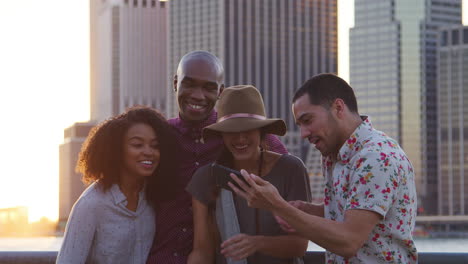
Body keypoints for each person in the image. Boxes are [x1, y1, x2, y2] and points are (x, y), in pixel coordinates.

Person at [229, 74, 418, 263]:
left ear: (338, 108)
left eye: (308, 120)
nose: (303, 134)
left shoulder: (377, 157)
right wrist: (309, 210)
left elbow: (349, 241)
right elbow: (353, 211)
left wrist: (278, 206)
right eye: (300, 125)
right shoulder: (335, 155)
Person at [146, 51, 288, 264]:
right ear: (176, 83)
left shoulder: (244, 138)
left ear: (220, 91)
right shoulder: (158, 136)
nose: (198, 95)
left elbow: (286, 191)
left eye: (209, 87)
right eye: (189, 84)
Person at [186, 85, 311, 264]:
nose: (240, 139)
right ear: (222, 134)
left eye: (248, 130)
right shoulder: (205, 178)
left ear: (262, 131)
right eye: (232, 131)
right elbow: (202, 251)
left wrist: (256, 243)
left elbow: (299, 245)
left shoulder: (291, 169)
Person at [56, 106, 179, 264]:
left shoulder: (153, 198)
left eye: (155, 146)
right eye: (137, 145)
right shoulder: (91, 204)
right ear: (116, 150)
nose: (149, 152)